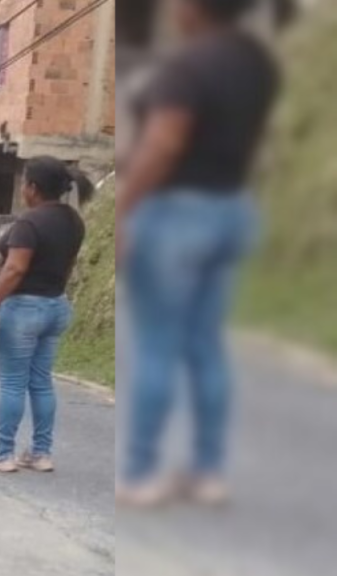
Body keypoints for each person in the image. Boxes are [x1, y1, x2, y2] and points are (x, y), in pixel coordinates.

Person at [115, 0, 279, 506]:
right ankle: (209, 472)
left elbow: (163, 145)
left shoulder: (188, 66)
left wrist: (124, 209)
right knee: (206, 344)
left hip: (175, 216)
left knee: (158, 346)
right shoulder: (257, 61)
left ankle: (140, 473)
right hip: (231, 207)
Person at [0, 157, 94, 474]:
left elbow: (15, 269)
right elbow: (67, 266)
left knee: (13, 384)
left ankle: (3, 454)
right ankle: (41, 453)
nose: (22, 188)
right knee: (41, 383)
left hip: (23, 309)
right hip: (55, 306)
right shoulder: (73, 221)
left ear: (32, 187)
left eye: (24, 182)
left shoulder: (30, 224)